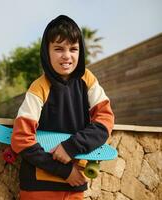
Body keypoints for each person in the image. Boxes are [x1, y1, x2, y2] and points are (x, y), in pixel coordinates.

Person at [11, 15, 114, 200]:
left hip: (75, 185)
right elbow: (21, 139)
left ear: (80, 52)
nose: (67, 56)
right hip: (39, 186)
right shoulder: (39, 87)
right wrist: (63, 170)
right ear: (46, 52)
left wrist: (71, 147)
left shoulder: (87, 79)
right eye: (58, 49)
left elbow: (105, 120)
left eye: (73, 49)